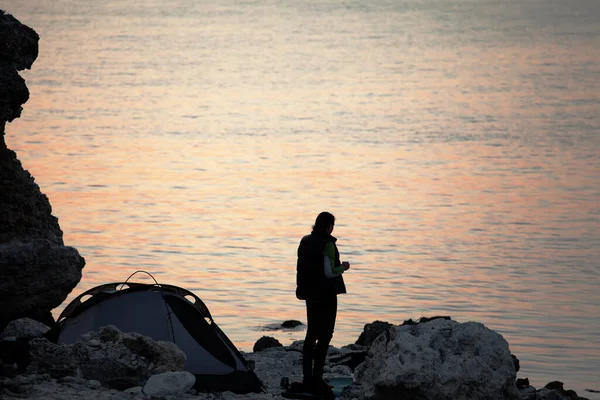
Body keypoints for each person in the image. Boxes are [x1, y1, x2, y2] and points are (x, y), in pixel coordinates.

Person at [296, 211, 350, 395]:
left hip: (310, 294)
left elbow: (303, 267)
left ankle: (307, 379)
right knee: (325, 335)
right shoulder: (327, 244)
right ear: (328, 226)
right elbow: (329, 272)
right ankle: (317, 380)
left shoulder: (305, 241)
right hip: (326, 295)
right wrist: (342, 268)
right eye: (332, 225)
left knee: (311, 334)